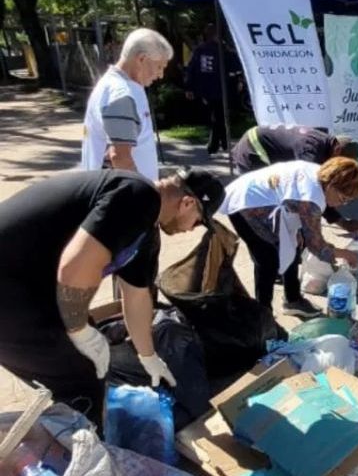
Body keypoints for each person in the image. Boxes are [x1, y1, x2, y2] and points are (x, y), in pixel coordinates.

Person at [0, 167, 225, 424]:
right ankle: (82, 457)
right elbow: (74, 268)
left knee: (86, 368)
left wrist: (148, 356)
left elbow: (137, 297)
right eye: (199, 221)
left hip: (25, 288)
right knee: (81, 382)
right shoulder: (137, 196)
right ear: (187, 203)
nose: (192, 229)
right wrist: (80, 331)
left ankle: (74, 439)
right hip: (11, 289)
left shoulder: (145, 228)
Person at [219, 158, 358, 321]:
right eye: (343, 198)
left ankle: (293, 299)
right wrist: (346, 254)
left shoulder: (321, 176)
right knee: (267, 258)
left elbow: (303, 227)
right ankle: (263, 315)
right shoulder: (311, 198)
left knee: (294, 245)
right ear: (331, 185)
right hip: (245, 204)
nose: (342, 204)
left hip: (265, 202)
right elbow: (317, 246)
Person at [81, 28, 173, 183]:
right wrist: (145, 195)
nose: (161, 75)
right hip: (123, 198)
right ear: (142, 59)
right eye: (159, 67)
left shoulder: (119, 86)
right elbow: (120, 157)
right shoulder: (122, 94)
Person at [185, 24, 227, 156]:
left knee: (217, 115)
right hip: (219, 87)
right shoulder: (221, 49)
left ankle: (220, 143)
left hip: (205, 88)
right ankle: (216, 144)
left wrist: (190, 87)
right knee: (218, 116)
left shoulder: (200, 50)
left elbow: (191, 69)